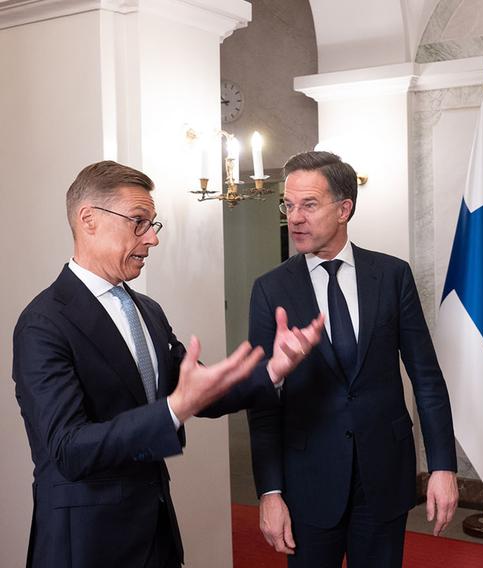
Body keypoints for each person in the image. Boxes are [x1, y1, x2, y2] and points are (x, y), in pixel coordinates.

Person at [11, 161, 324, 568]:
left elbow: (198, 390)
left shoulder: (148, 310)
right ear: (88, 220)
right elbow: (69, 449)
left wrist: (273, 371)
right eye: (139, 222)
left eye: (153, 225)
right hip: (86, 543)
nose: (151, 240)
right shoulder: (43, 323)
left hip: (155, 533)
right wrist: (175, 408)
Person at [249, 151, 458, 568]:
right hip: (307, 481)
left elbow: (427, 379)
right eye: (288, 205)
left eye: (309, 205)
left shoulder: (392, 275)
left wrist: (442, 466)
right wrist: (270, 492)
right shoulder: (270, 289)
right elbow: (262, 400)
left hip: (384, 473)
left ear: (344, 208)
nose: (294, 218)